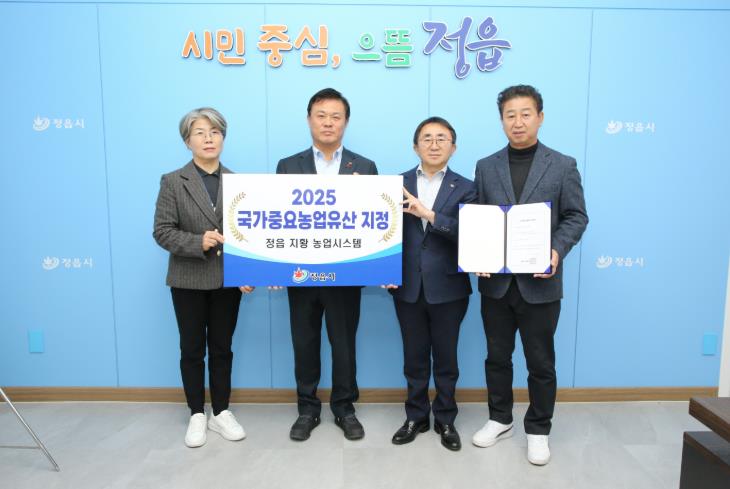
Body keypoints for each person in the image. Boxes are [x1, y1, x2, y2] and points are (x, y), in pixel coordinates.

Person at [471, 85, 588, 465]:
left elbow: (576, 216)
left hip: (540, 285)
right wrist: (476, 251)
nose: (518, 122)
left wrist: (556, 250)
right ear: (501, 120)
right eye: (510, 115)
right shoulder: (486, 166)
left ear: (540, 117)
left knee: (540, 362)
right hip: (496, 285)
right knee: (496, 357)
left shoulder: (563, 165)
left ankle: (538, 429)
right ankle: (500, 418)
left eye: (525, 114)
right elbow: (478, 216)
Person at [276, 88, 377, 441]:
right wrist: (273, 267)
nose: (328, 122)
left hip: (346, 275)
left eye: (336, 116)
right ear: (309, 120)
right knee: (304, 344)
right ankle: (307, 409)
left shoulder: (364, 168)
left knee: (344, 345)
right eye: (321, 115)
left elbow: (374, 222)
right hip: (301, 274)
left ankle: (344, 408)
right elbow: (278, 219)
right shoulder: (288, 166)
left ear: (345, 122)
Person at [153, 107, 254, 448]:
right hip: (188, 279)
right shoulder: (172, 181)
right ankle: (197, 412)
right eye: (199, 132)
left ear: (223, 138)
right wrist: (198, 241)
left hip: (228, 280)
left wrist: (250, 271)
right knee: (192, 349)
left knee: (223, 348)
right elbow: (162, 231)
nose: (208, 138)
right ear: (187, 141)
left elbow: (250, 234)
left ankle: (221, 411)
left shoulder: (239, 183)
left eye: (214, 132)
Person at [384, 117, 475, 451]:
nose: (434, 144)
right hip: (406, 286)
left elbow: (471, 233)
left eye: (441, 138)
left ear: (453, 147)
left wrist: (430, 215)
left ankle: (446, 419)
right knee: (414, 358)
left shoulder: (467, 187)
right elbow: (380, 232)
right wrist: (382, 269)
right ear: (415, 146)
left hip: (449, 288)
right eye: (427, 138)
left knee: (447, 359)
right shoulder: (394, 184)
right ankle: (416, 416)